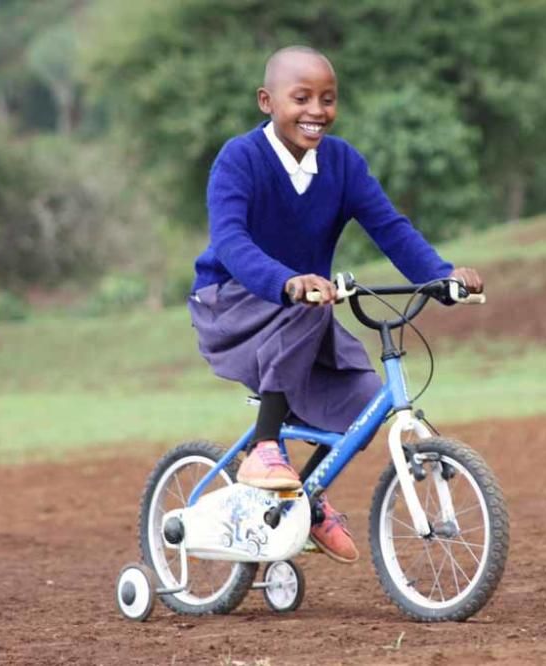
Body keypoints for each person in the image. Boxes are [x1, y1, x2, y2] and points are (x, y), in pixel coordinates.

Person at [188, 45, 483, 564]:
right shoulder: (240, 159)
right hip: (232, 301)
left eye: (328, 99)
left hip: (301, 309)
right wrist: (288, 282)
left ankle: (302, 499)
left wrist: (442, 277)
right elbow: (231, 243)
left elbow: (390, 228)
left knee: (366, 402)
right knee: (313, 309)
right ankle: (263, 448)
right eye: (300, 97)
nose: (316, 111)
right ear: (266, 100)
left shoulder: (342, 163)